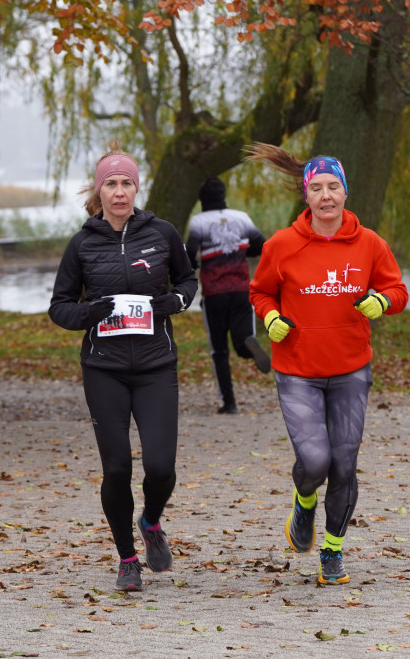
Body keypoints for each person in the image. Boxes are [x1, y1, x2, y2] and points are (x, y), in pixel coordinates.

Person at [245, 143, 409, 585]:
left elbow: (398, 292)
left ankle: (332, 553)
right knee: (315, 462)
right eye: (316, 188)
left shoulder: (370, 243)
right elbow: (259, 292)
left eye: (333, 186)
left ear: (345, 192)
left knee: (344, 463)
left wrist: (380, 301)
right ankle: (303, 502)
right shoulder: (282, 245)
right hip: (298, 370)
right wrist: (272, 316)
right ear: (306, 196)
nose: (326, 196)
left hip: (351, 369)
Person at [48, 149, 198, 592]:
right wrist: (91, 312)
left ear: (136, 189)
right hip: (104, 369)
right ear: (99, 191)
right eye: (110, 184)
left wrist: (174, 302)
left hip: (155, 366)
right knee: (116, 469)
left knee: (161, 468)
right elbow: (59, 307)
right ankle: (127, 558)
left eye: (126, 184)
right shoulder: (82, 243)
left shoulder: (163, 234)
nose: (118, 192)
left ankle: (150, 522)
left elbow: (189, 282)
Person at [185, 176, 271, 415]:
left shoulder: (199, 221)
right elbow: (263, 246)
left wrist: (194, 264)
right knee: (243, 339)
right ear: (223, 195)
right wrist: (242, 250)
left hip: (214, 294)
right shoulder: (241, 217)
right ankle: (248, 347)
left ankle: (229, 403)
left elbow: (190, 253)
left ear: (203, 199)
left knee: (219, 350)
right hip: (242, 289)